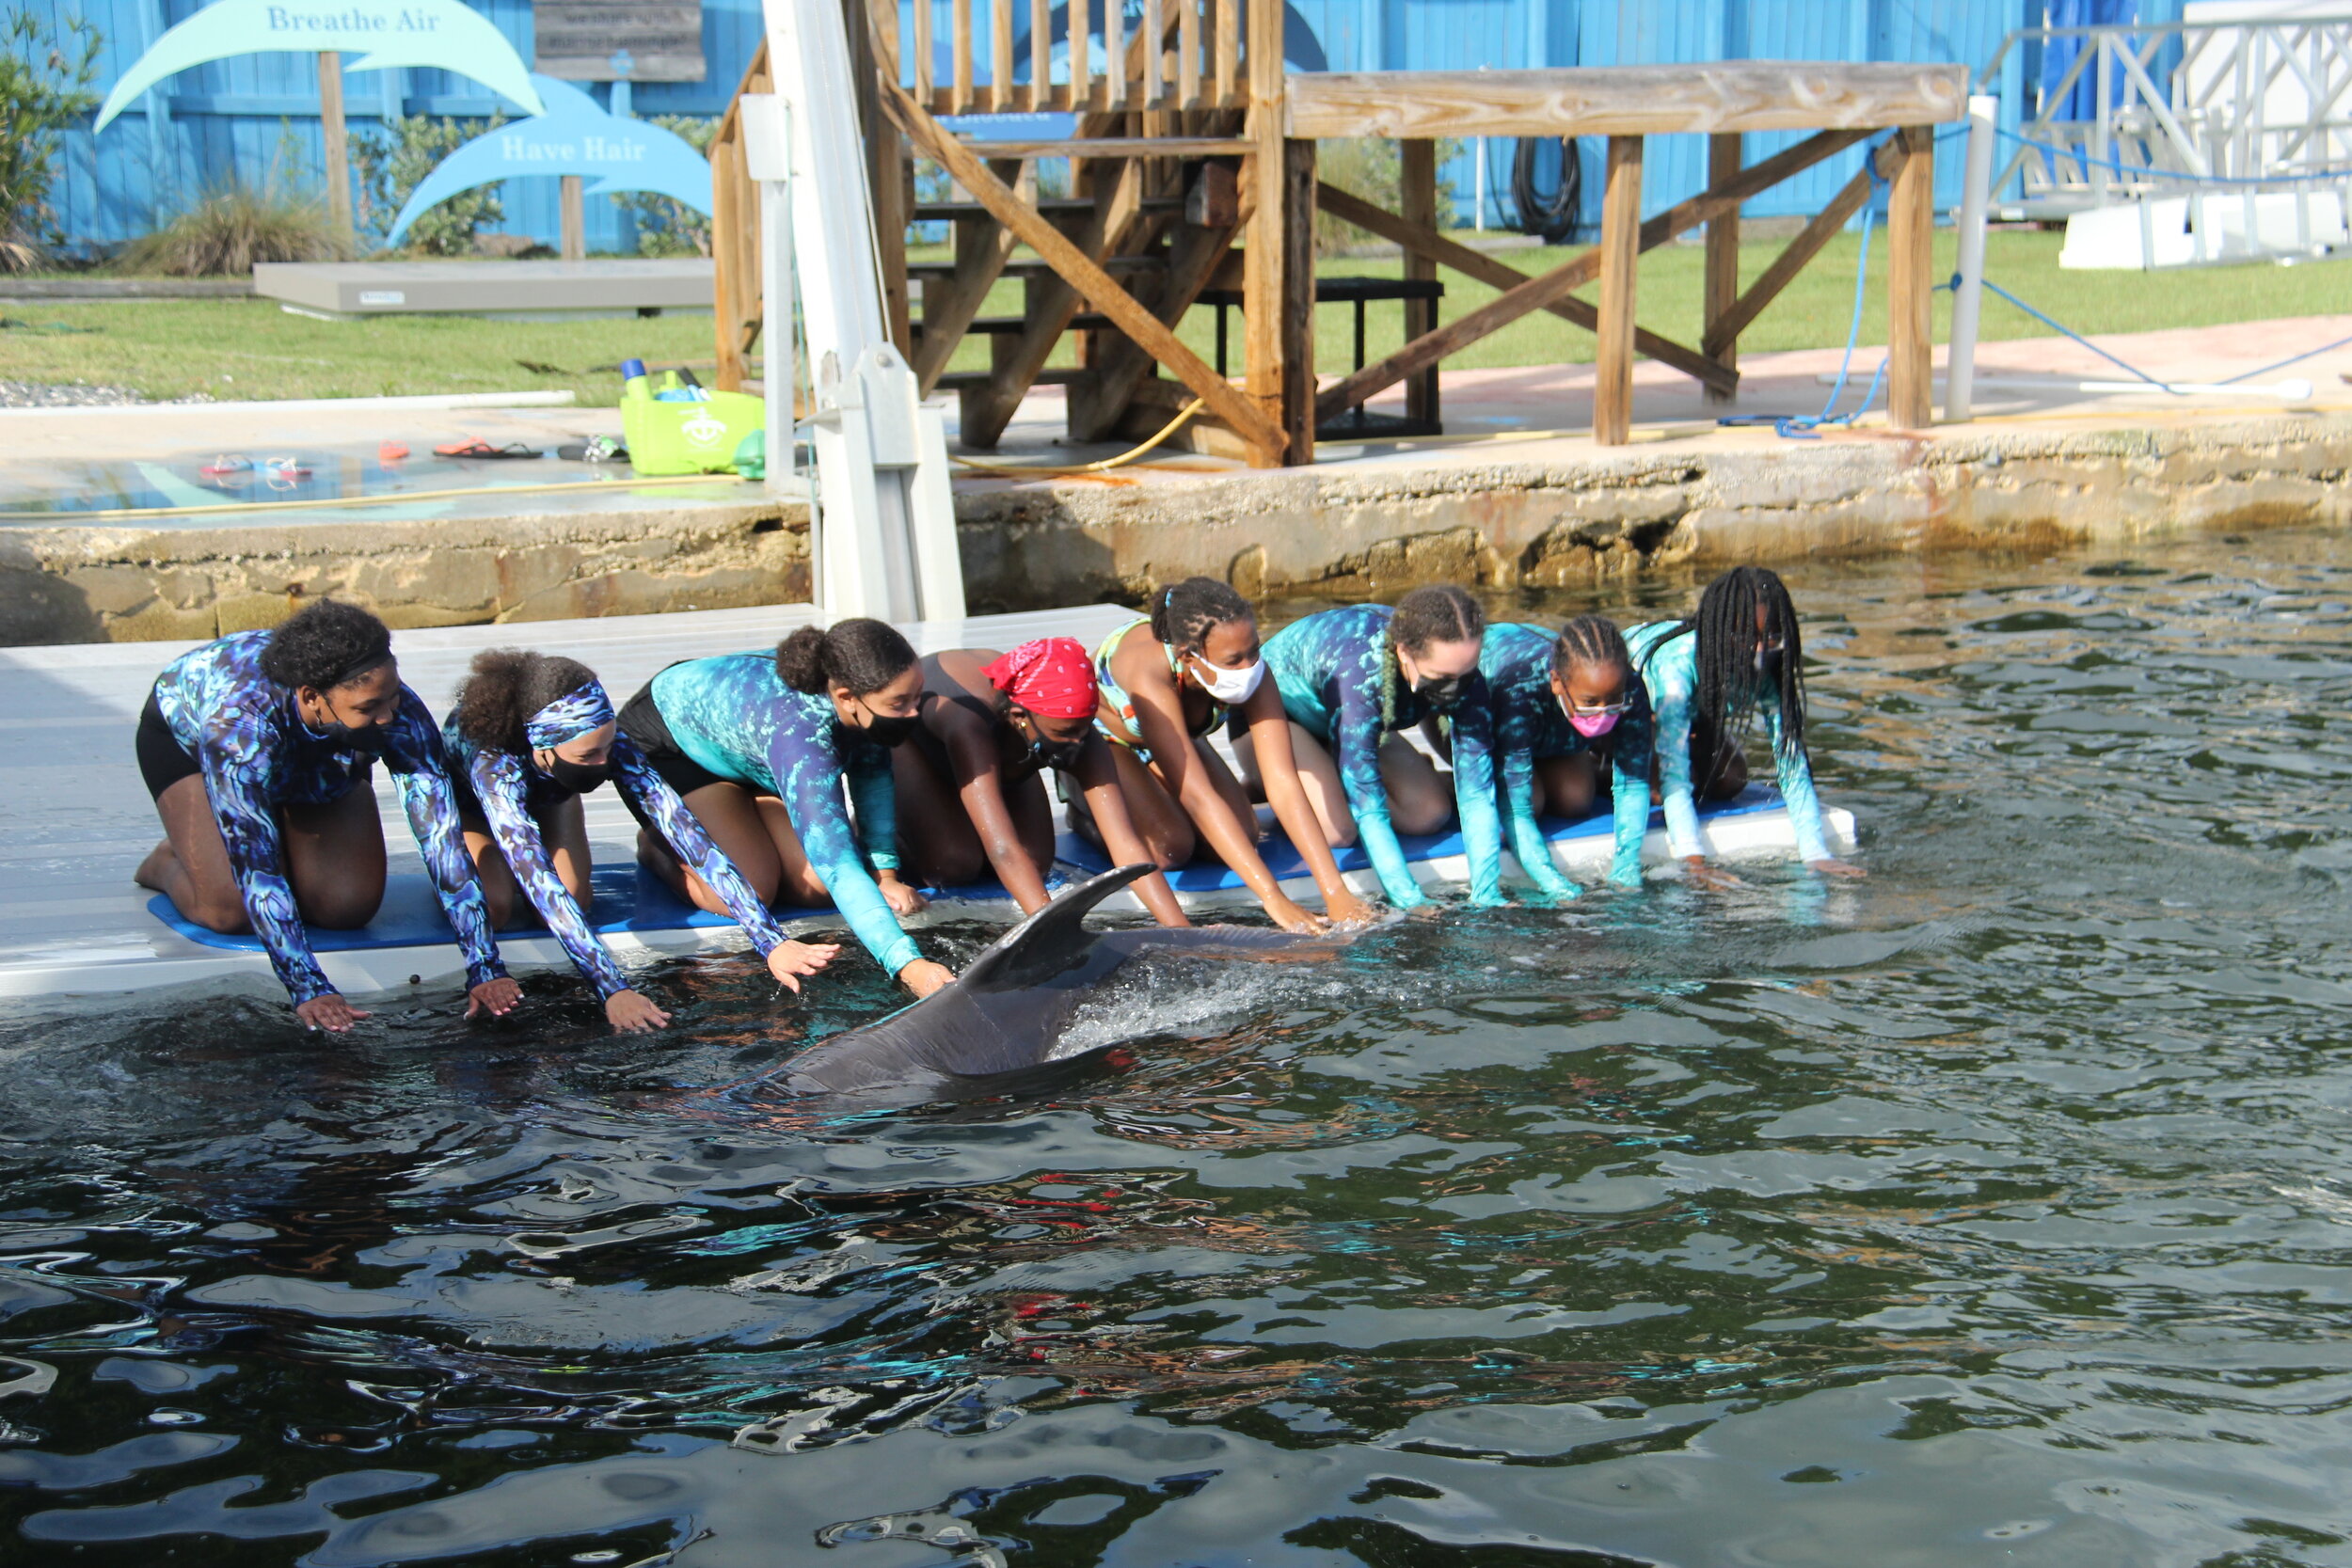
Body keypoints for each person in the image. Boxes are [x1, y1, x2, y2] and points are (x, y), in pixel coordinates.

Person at [132, 598, 521, 1033]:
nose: (388, 716)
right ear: (311, 696)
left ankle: (278, 819)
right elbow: (258, 870)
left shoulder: (394, 709)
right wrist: (309, 987)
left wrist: (484, 966)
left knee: (346, 908)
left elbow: (441, 839)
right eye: (369, 708)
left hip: (320, 748)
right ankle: (171, 859)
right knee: (230, 911)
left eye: (392, 696)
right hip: (193, 748)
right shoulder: (237, 725)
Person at [443, 650, 841, 1034]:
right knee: (495, 904)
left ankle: (634, 834)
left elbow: (686, 832)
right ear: (543, 748)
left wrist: (770, 941)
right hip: (477, 812)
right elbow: (541, 883)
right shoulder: (494, 769)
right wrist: (613, 989)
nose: (605, 764)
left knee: (575, 896)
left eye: (607, 748)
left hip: (553, 792)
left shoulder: (605, 746)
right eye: (589, 756)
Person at [616, 618, 957, 998]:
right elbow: (838, 864)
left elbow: (873, 778)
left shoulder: (860, 704)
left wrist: (885, 874)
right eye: (899, 703)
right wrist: (908, 964)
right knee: (754, 887)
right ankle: (659, 844)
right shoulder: (802, 734)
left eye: (916, 697)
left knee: (815, 888)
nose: (913, 713)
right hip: (664, 746)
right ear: (847, 697)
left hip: (743, 750)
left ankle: (743, 807)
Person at [1081, 578, 1374, 932]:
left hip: (1176, 738)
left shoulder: (1254, 671)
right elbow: (1197, 796)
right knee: (1170, 848)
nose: (1248, 666)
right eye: (1234, 660)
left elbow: (1283, 781)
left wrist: (1335, 891)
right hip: (1105, 742)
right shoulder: (1150, 673)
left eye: (1254, 650)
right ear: (1188, 657)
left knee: (1245, 836)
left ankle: (1156, 789)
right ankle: (1084, 811)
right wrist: (1272, 896)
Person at [892, 638, 1191, 927]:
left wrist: (1181, 928)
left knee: (1035, 865)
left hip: (1013, 748)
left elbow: (1125, 842)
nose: (1079, 742)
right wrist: (1055, 932)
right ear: (1020, 716)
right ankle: (880, 843)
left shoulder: (1078, 731)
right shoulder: (971, 726)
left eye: (1085, 729)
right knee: (953, 864)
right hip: (918, 746)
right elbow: (1002, 849)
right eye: (1065, 733)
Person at [1240, 585, 1504, 910]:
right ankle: (1267, 782)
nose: (1456, 690)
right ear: (1404, 652)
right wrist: (1410, 901)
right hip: (1276, 718)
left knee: (1428, 814)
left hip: (1348, 725)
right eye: (1441, 676)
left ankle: (1336, 768)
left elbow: (1477, 792)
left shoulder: (1461, 673)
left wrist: (1487, 894)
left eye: (1465, 675)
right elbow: (1370, 809)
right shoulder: (1360, 672)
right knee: (1338, 830)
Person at [1625, 565, 1861, 886]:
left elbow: (1792, 765)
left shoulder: (1769, 670)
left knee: (1730, 778)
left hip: (1694, 715)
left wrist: (1816, 854)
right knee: (1665, 785)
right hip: (1630, 710)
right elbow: (1674, 774)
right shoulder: (1676, 666)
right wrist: (1695, 863)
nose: (1760, 651)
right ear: (1722, 633)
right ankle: (1602, 766)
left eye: (1772, 637)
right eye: (1748, 638)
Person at [1476, 615, 1657, 901]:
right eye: (1591, 702)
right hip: (1482, 726)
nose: (1604, 712)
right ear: (1557, 682)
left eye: (1613, 700)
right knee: (1532, 802)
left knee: (1575, 799)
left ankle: (1565, 763)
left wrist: (1627, 865)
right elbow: (1517, 812)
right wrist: (1554, 884)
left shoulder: (1630, 685)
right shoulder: (1516, 688)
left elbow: (1632, 784)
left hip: (1550, 732)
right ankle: (1448, 784)